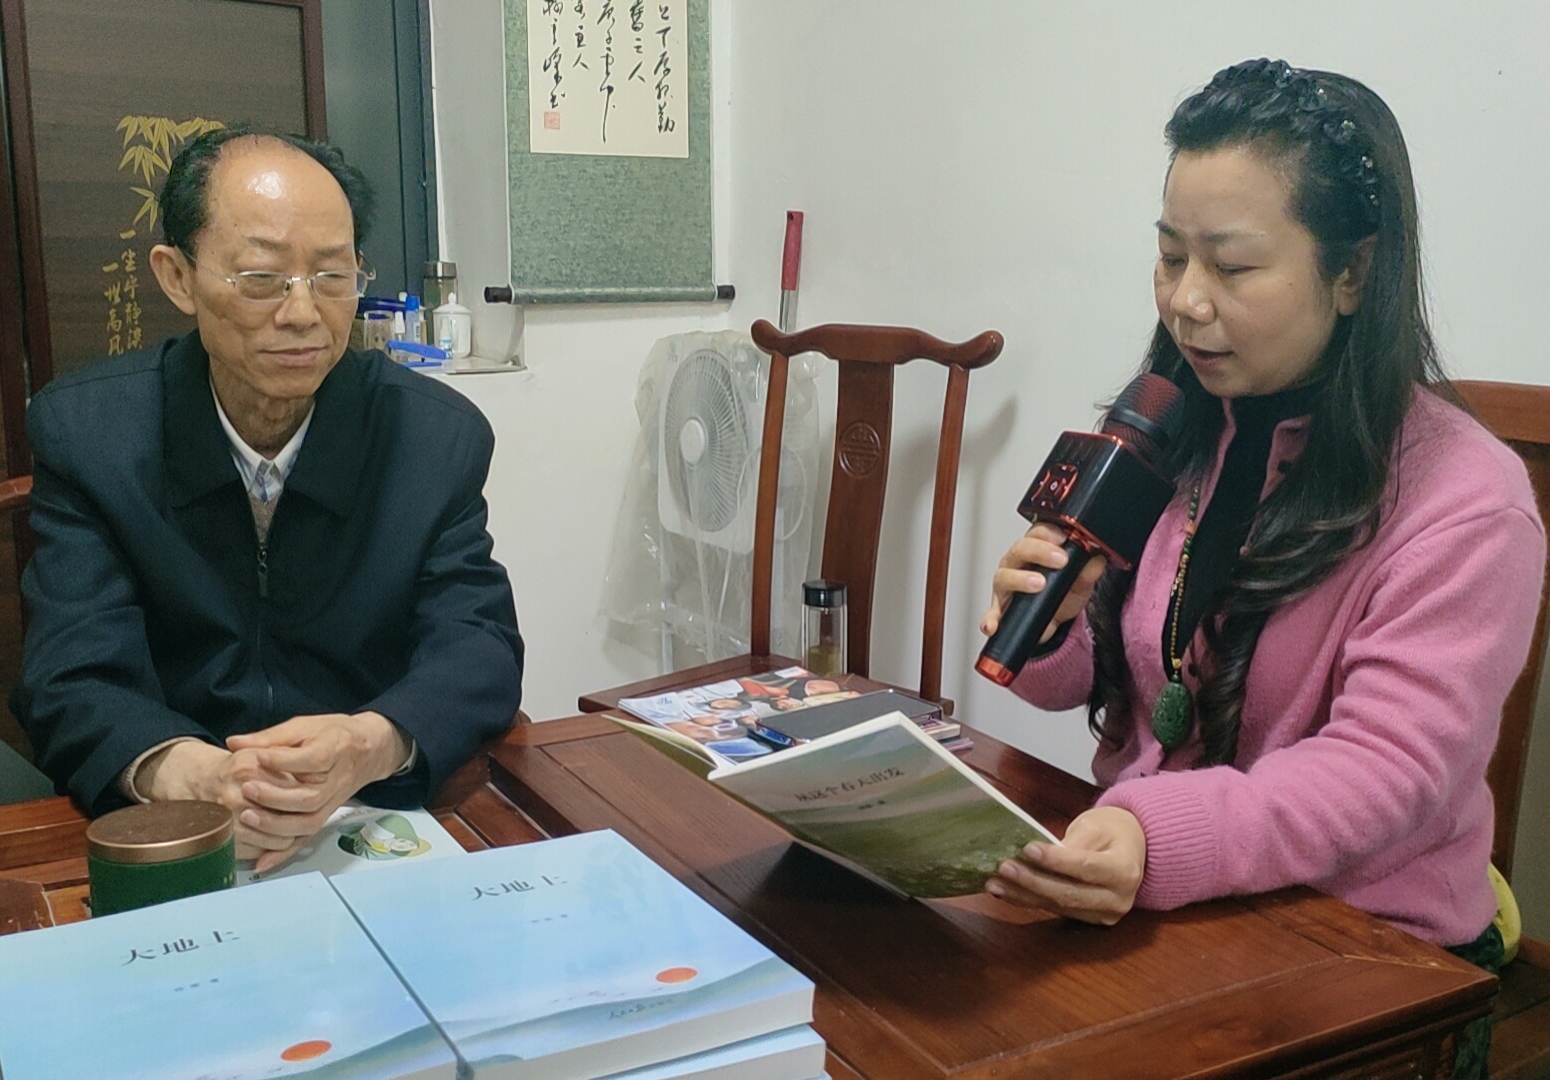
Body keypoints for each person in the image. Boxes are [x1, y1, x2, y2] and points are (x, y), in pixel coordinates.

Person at [978, 60, 1543, 1074]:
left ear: (1352, 273)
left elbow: (1386, 774)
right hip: (1172, 907)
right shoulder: (1167, 430)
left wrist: (1151, 833)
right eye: (1167, 256)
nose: (1185, 302)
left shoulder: (1466, 500)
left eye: (1230, 268)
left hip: (1366, 956)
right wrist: (1054, 632)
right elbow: (1130, 675)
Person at [12, 127, 525, 872]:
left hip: (372, 822)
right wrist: (200, 778)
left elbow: (477, 645)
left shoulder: (431, 438)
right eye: (261, 278)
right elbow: (72, 675)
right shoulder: (91, 435)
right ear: (177, 277)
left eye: (331, 276)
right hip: (167, 831)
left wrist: (366, 743)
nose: (303, 314)